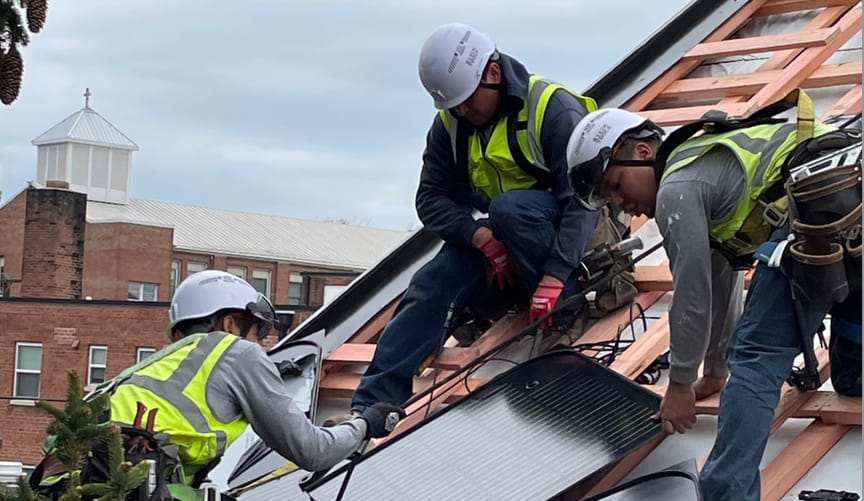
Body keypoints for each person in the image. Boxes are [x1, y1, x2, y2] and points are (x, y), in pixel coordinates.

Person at [565, 105, 861, 500]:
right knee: (850, 356)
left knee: (756, 358)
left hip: (821, 214)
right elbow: (720, 277)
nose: (620, 204)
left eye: (616, 185)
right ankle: (856, 373)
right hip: (848, 205)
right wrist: (715, 371)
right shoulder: (705, 163)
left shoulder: (676, 189)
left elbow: (692, 294)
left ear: (642, 151)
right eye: (608, 199)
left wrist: (679, 385)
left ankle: (726, 495)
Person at [348, 22, 607, 416]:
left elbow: (582, 201)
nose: (461, 111)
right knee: (431, 281)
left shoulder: (552, 108)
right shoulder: (452, 124)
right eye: (452, 105)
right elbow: (430, 197)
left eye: (466, 100)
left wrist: (556, 277)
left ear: (493, 73)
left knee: (510, 208)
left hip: (574, 237)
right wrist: (478, 235)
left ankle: (565, 311)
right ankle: (371, 407)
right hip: (503, 237)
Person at [33, 270, 404, 500]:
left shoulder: (151, 369)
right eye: (256, 332)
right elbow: (312, 451)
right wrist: (365, 424)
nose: (259, 345)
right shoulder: (238, 353)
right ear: (229, 323)